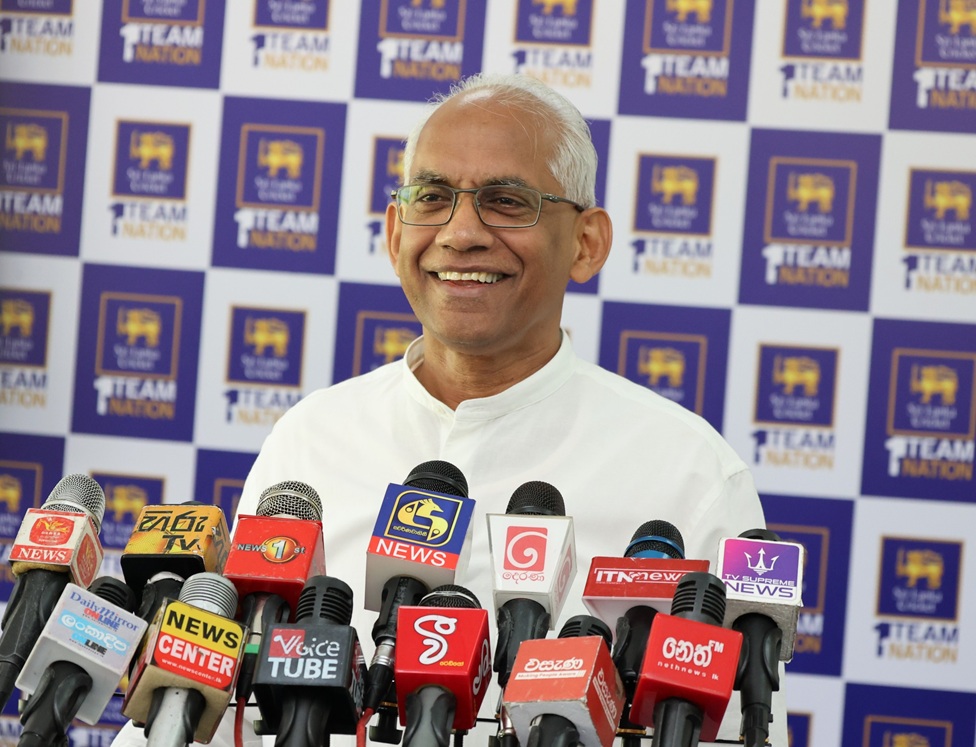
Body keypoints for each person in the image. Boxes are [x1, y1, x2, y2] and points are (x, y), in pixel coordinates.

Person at [112, 72, 766, 746]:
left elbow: (738, 729)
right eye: (432, 198)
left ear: (587, 243)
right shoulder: (311, 437)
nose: (461, 233)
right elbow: (217, 706)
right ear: (396, 231)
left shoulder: (687, 471)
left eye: (506, 201)